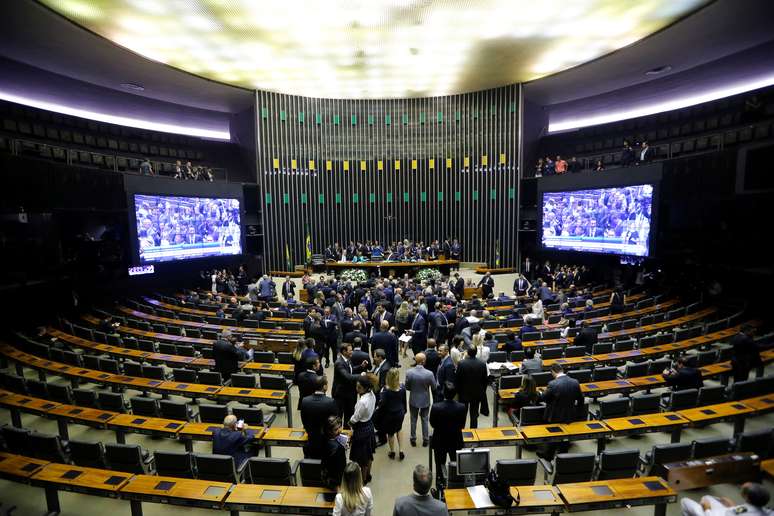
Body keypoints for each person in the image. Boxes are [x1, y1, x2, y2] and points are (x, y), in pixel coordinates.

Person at [429, 381, 467, 483]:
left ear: (443, 393)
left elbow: (432, 423)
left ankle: (440, 484)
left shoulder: (436, 407)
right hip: (455, 440)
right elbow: (462, 425)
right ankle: (455, 483)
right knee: (456, 465)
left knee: (440, 465)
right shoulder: (462, 407)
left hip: (440, 441)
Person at [300, 376, 338, 459]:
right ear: (324, 386)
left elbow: (304, 421)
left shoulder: (305, 400)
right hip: (326, 442)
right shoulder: (331, 402)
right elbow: (335, 423)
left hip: (311, 440)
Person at [680, 482, 772, 516]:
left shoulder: (736, 511)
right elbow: (745, 511)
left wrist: (707, 508)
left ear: (748, 498)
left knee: (684, 501)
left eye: (743, 490)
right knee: (706, 497)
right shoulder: (768, 511)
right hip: (728, 512)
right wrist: (733, 506)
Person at [405, 353, 437, 447]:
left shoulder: (409, 372)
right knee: (425, 419)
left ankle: (413, 438)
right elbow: (434, 387)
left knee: (413, 419)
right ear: (423, 361)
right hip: (425, 399)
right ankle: (426, 439)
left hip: (413, 399)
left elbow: (407, 387)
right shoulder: (429, 373)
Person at [333, 343, 369, 427]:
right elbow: (348, 376)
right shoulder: (339, 363)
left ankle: (347, 433)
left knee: (349, 415)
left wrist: (361, 366)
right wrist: (361, 376)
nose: (352, 352)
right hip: (340, 394)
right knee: (339, 416)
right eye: (350, 350)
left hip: (349, 393)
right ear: (344, 351)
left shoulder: (348, 359)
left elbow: (351, 369)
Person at [349, 377, 377, 483]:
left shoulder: (362, 401)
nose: (357, 389)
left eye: (359, 387)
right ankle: (368, 475)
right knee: (369, 455)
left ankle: (363, 480)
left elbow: (355, 418)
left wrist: (349, 424)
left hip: (361, 428)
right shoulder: (372, 395)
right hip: (369, 425)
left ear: (365, 388)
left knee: (362, 459)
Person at [455, 347, 489, 428]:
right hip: (476, 393)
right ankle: (473, 432)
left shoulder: (461, 363)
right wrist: (482, 391)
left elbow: (457, 379)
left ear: (467, 352)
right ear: (476, 352)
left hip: (463, 393)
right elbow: (485, 380)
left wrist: (458, 391)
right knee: (474, 415)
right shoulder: (482, 364)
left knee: (462, 414)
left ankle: (461, 432)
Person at [378, 368, 407, 460]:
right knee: (399, 429)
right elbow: (404, 401)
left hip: (390, 414)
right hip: (400, 412)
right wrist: (404, 410)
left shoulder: (385, 390)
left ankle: (392, 451)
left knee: (390, 433)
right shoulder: (402, 387)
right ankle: (401, 450)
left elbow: (382, 404)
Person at [322, 416, 348, 489]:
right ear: (329, 431)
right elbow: (341, 468)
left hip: (326, 476)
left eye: (340, 427)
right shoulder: (338, 448)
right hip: (335, 481)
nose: (340, 430)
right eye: (336, 429)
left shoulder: (324, 438)